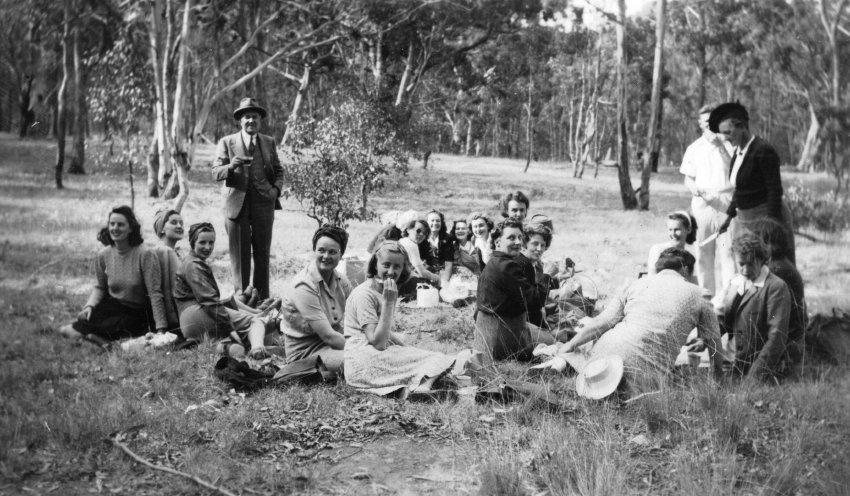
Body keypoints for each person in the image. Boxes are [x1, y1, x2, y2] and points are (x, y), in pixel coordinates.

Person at [561, 248, 723, 388]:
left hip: (599, 362)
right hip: (644, 378)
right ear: (686, 269)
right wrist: (718, 378)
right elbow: (714, 341)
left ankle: (565, 364)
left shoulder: (635, 284)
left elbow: (602, 322)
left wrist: (569, 345)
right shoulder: (699, 294)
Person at [343, 241, 464, 397]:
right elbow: (378, 343)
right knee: (435, 359)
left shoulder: (385, 289)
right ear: (375, 265)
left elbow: (386, 332)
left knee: (430, 357)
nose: (391, 271)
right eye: (386, 265)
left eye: (397, 266)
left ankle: (419, 388)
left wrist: (408, 349)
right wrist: (388, 303)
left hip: (374, 353)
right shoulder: (364, 294)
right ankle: (421, 386)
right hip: (362, 359)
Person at [58, 206, 168, 341]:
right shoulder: (104, 255)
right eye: (112, 224)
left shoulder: (145, 254)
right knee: (70, 330)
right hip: (111, 306)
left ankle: (98, 339)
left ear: (131, 228)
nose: (115, 228)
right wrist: (89, 306)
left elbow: (155, 293)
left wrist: (161, 329)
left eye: (121, 224)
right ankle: (94, 338)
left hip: (138, 313)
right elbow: (100, 287)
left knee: (114, 327)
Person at [211, 97, 284, 299]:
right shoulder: (226, 142)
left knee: (262, 253)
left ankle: (262, 299)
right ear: (240, 121)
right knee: (240, 255)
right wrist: (231, 166)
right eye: (247, 117)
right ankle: (241, 299)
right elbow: (215, 172)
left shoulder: (268, 142)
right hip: (237, 204)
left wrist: (275, 191)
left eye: (255, 117)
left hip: (264, 203)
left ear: (260, 120)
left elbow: (278, 170)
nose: (251, 121)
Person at [173, 223, 277, 359]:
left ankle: (226, 347)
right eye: (202, 242)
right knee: (255, 322)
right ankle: (258, 350)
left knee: (237, 336)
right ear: (192, 242)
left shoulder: (190, 262)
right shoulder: (193, 265)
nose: (207, 247)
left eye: (211, 242)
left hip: (188, 322)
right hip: (196, 314)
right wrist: (230, 328)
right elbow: (209, 301)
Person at [711, 101, 795, 264]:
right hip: (745, 220)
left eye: (728, 132)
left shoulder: (763, 150)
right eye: (723, 134)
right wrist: (728, 217)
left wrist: (771, 228)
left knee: (773, 268)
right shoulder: (739, 152)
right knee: (749, 269)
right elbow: (740, 189)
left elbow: (774, 191)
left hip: (767, 219)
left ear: (741, 126)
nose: (725, 138)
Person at [474, 218, 558, 364]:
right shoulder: (507, 266)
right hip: (501, 338)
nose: (518, 242)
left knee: (543, 333)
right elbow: (534, 302)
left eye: (520, 237)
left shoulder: (496, 261)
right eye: (511, 238)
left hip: (487, 334)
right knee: (552, 341)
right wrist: (547, 275)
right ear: (498, 242)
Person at [717, 233, 792, 382]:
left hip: (757, 370)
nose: (745, 269)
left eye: (750, 264)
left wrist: (755, 377)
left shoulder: (775, 287)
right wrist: (706, 338)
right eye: (741, 264)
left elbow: (777, 337)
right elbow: (725, 322)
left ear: (763, 260)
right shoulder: (735, 283)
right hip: (731, 364)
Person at [680, 104, 735, 297]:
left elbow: (735, 167)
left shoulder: (728, 144)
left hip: (725, 200)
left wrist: (720, 146)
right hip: (702, 203)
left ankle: (729, 298)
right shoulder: (694, 148)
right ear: (700, 124)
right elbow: (688, 177)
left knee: (728, 252)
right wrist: (693, 188)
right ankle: (707, 299)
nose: (709, 126)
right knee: (703, 252)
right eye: (705, 122)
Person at [281, 226, 352, 373]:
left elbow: (358, 314)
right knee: (359, 361)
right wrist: (362, 349)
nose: (326, 256)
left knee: (381, 349)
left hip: (334, 344)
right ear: (314, 251)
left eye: (332, 252)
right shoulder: (303, 286)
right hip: (306, 355)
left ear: (341, 254)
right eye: (321, 250)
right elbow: (328, 336)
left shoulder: (341, 281)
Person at [747, 218, 805, 377]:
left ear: (767, 242)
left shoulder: (777, 270)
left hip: (785, 344)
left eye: (754, 241)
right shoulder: (778, 265)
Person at [152, 209, 183, 333]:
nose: (179, 226)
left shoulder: (171, 251)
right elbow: (178, 289)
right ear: (162, 229)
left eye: (181, 223)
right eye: (174, 223)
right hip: (178, 317)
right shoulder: (165, 251)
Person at [646, 211, 698, 280]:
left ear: (688, 229)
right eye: (670, 230)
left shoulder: (693, 252)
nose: (673, 234)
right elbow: (652, 277)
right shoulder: (658, 249)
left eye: (677, 229)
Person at [398, 218, 442, 289]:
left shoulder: (402, 240)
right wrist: (437, 278)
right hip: (403, 281)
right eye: (418, 231)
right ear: (408, 230)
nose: (421, 234)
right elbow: (422, 273)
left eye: (425, 233)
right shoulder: (412, 245)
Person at [425, 209, 455, 284]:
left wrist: (444, 282)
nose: (435, 223)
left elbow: (448, 263)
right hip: (426, 272)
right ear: (426, 223)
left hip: (443, 272)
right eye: (432, 220)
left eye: (438, 221)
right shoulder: (422, 237)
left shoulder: (447, 238)